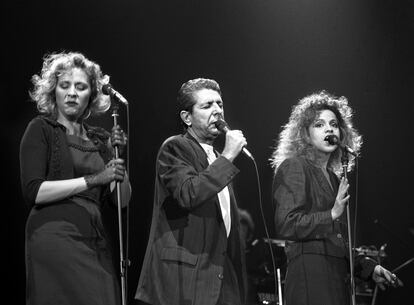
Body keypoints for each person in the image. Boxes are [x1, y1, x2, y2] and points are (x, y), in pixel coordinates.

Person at [19, 51, 131, 305]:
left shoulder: (101, 138)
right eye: (64, 86)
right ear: (53, 91)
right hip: (55, 235)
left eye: (80, 87)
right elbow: (34, 191)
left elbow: (122, 201)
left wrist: (118, 156)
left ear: (91, 95)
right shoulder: (41, 129)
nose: (72, 93)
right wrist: (94, 179)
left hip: (95, 238)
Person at [270, 90, 400, 305]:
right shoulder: (295, 166)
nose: (329, 129)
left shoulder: (333, 177)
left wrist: (369, 268)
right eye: (319, 125)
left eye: (333, 124)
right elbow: (286, 224)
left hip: (337, 280)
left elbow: (337, 241)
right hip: (310, 276)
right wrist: (331, 214)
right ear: (304, 134)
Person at [135, 78, 248, 305]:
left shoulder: (217, 159)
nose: (217, 111)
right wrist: (227, 157)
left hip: (219, 282)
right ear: (187, 117)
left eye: (219, 104)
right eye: (207, 106)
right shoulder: (175, 147)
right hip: (183, 280)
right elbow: (188, 194)